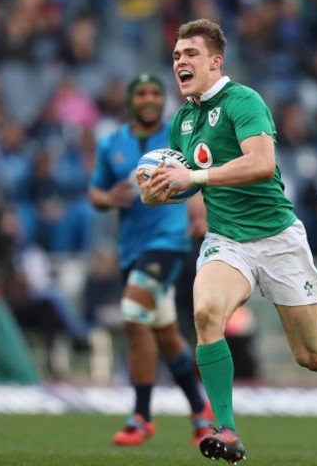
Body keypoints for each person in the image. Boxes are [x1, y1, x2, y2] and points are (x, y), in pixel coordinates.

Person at [136, 18, 317, 464]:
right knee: (205, 311)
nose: (180, 61)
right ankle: (227, 429)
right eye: (177, 55)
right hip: (227, 241)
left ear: (216, 61)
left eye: (191, 54)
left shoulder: (244, 101)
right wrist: (156, 192)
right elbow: (190, 185)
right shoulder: (181, 122)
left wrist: (194, 175)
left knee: (312, 355)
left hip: (278, 239)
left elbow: (260, 162)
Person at [88, 72, 213, 447]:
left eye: (154, 94)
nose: (148, 99)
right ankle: (200, 412)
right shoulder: (111, 143)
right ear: (131, 100)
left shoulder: (179, 137)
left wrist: (200, 213)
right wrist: (109, 199)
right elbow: (94, 192)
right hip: (132, 249)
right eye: (140, 93)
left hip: (169, 242)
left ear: (162, 100)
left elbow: (199, 178)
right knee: (164, 331)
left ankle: (141, 415)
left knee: (132, 311)